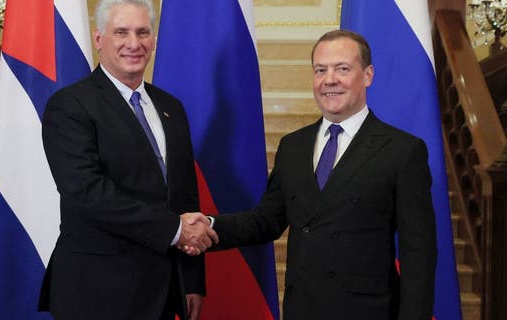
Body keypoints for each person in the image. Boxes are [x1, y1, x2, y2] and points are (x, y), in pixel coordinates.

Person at [184, 30, 437, 320]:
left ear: (368, 75)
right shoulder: (293, 146)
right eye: (320, 70)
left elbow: (419, 255)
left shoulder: (402, 151)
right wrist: (208, 226)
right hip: (302, 309)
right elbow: (266, 221)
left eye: (342, 68)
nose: (330, 79)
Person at [38, 0, 217, 319]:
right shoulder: (70, 106)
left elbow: (185, 196)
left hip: (162, 288)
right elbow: (87, 193)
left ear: (154, 41)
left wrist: (191, 280)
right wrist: (175, 229)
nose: (134, 44)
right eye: (121, 32)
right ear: (98, 39)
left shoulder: (171, 108)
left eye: (142, 33)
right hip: (96, 290)